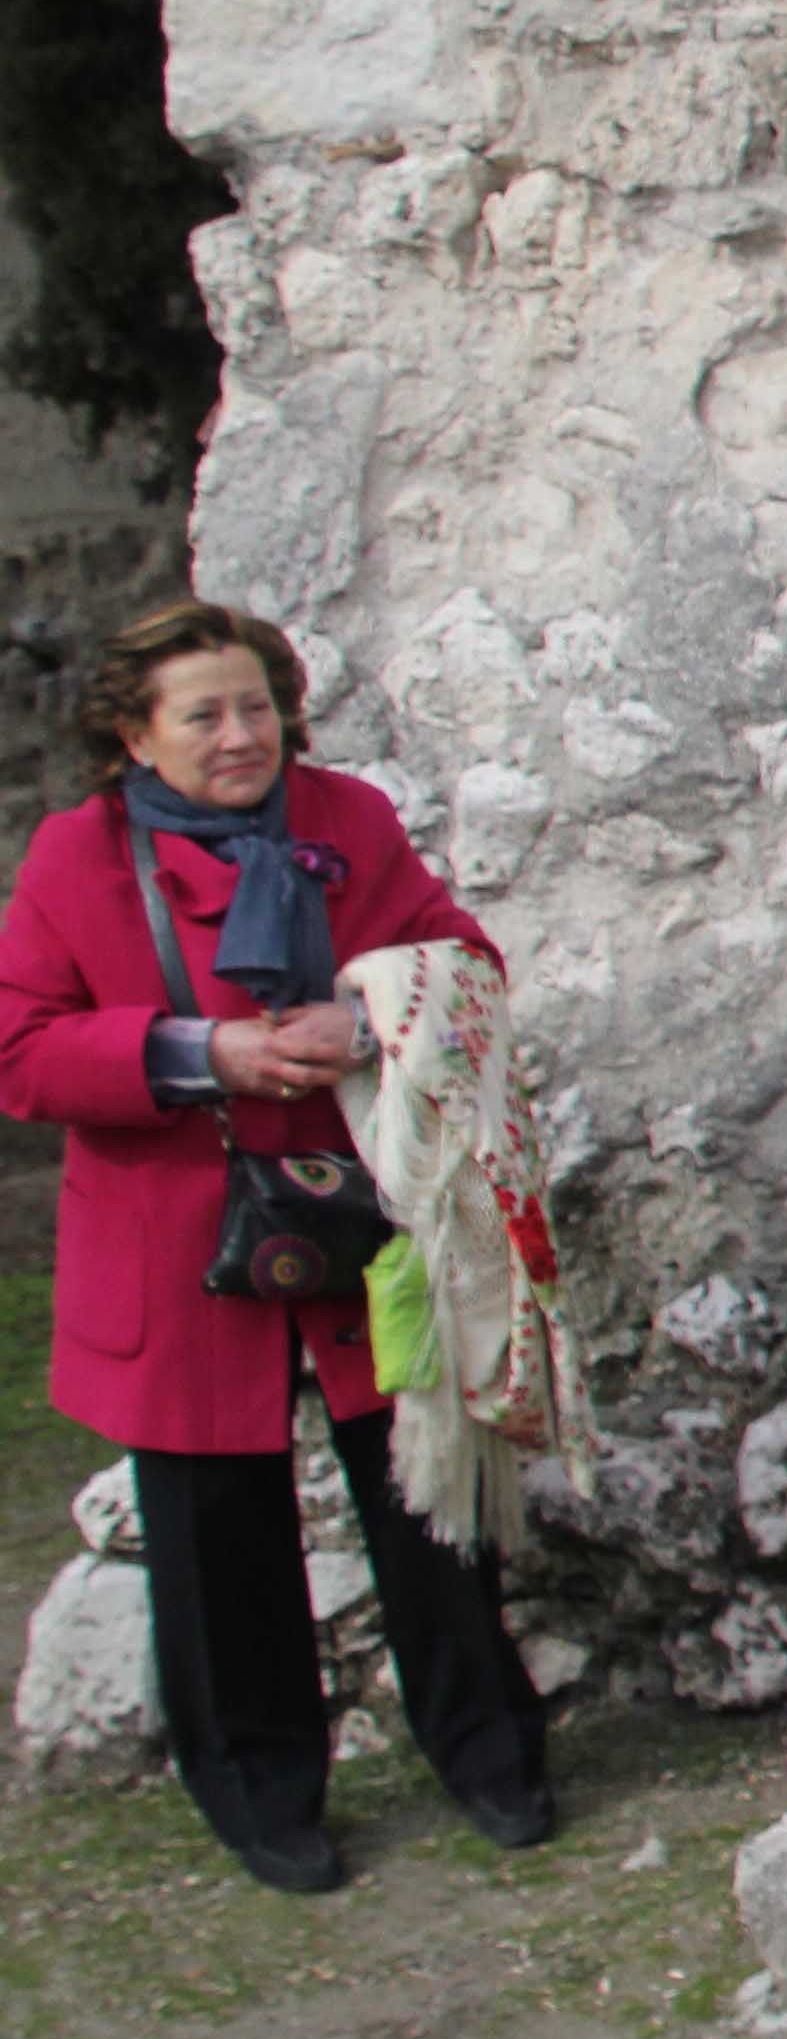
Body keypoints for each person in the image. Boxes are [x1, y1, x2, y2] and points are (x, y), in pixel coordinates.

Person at [0, 600, 546, 1895]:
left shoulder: (343, 819)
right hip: (176, 1235)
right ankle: (261, 1795)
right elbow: (20, 1045)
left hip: (359, 1223)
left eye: (257, 706)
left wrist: (364, 1019)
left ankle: (491, 1757)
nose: (243, 735)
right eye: (204, 714)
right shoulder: (77, 859)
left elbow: (462, 962)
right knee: (214, 1537)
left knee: (425, 1500)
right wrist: (203, 1053)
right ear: (136, 736)